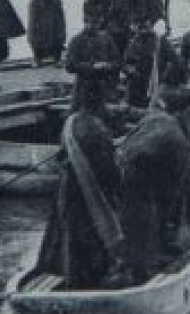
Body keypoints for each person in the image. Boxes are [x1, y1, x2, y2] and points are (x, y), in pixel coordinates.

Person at [32, 75, 129, 289]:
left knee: (68, 233)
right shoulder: (97, 128)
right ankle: (89, 281)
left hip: (67, 188)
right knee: (91, 234)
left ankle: (68, 275)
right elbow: (108, 171)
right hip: (88, 192)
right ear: (99, 100)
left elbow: (62, 156)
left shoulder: (71, 121)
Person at [114, 85, 190, 280]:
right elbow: (189, 180)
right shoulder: (176, 138)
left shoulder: (154, 118)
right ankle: (141, 272)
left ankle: (131, 263)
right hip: (135, 178)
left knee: (131, 222)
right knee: (144, 222)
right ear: (185, 112)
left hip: (120, 168)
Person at [64, 7, 122, 109]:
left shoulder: (107, 39)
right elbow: (69, 66)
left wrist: (109, 65)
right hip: (83, 89)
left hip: (103, 89)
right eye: (92, 22)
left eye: (97, 23)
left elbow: (117, 61)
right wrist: (92, 66)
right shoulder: (77, 41)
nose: (95, 26)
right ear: (85, 22)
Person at [121, 21, 185, 109]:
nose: (143, 30)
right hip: (136, 87)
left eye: (146, 27)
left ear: (151, 26)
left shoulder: (161, 41)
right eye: (140, 28)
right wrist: (129, 69)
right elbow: (126, 62)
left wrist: (164, 78)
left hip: (155, 86)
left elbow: (175, 61)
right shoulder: (134, 42)